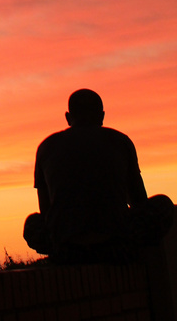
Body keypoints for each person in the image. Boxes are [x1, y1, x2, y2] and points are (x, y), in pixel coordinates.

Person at [23, 89, 173, 263]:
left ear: (68, 117)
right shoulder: (120, 141)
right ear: (102, 116)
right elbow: (139, 200)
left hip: (68, 250)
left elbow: (46, 210)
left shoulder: (46, 147)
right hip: (116, 246)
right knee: (163, 205)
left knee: (32, 223)